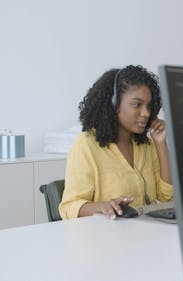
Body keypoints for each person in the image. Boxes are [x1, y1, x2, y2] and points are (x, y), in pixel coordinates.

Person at [59, 65, 174, 220]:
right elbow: (68, 207)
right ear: (113, 104)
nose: (146, 113)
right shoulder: (86, 145)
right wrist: (103, 206)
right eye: (137, 104)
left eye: (148, 106)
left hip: (145, 233)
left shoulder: (146, 145)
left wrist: (161, 144)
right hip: (105, 237)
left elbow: (166, 197)